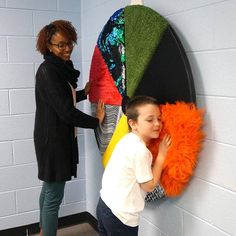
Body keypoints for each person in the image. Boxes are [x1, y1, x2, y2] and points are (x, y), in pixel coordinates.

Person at [34, 20, 105, 236]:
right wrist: (96, 121)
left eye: (70, 43)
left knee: (48, 189)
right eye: (60, 45)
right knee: (54, 194)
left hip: (52, 136)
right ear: (49, 46)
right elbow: (66, 112)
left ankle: (43, 229)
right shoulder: (49, 71)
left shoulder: (60, 69)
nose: (67, 49)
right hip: (52, 140)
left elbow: (62, 98)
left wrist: (83, 92)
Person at [96, 95, 172, 236]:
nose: (157, 124)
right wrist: (161, 156)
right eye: (150, 120)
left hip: (104, 205)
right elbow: (149, 186)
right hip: (121, 217)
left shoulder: (127, 139)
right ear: (133, 124)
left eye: (159, 119)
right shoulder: (140, 151)